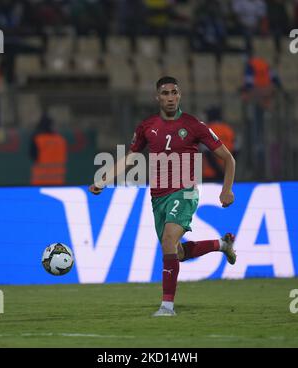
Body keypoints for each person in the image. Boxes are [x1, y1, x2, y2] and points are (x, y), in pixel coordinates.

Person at [89, 76, 236, 317]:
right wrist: (103, 180)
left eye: (174, 93)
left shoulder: (194, 125)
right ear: (157, 97)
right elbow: (130, 158)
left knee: (168, 239)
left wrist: (226, 189)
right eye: (165, 93)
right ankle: (222, 244)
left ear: (180, 95)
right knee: (176, 252)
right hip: (158, 197)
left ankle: (167, 306)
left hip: (186, 192)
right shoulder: (147, 126)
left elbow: (228, 158)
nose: (170, 97)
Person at [30, 113, 67, 185]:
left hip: (40, 182)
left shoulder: (38, 139)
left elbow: (32, 156)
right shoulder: (60, 140)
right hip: (58, 181)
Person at [202, 106, 236, 181]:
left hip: (209, 174)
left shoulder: (206, 130)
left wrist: (219, 172)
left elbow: (208, 154)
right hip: (227, 173)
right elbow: (235, 152)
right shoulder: (228, 130)